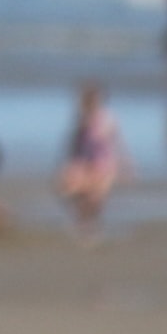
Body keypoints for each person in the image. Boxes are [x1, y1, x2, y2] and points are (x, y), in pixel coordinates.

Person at [56, 82, 129, 241]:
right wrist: (68, 162)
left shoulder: (108, 119)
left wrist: (125, 164)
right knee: (70, 191)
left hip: (103, 163)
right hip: (82, 161)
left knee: (96, 197)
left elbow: (117, 142)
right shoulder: (81, 118)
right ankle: (82, 221)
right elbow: (73, 143)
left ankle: (91, 225)